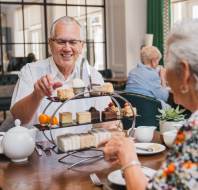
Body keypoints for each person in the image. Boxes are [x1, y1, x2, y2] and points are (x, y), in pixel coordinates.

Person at [103, 20, 198, 190]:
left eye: (167, 63)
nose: (164, 70)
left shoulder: (193, 130)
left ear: (184, 72)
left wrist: (128, 157)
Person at [10, 16, 110, 132]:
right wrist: (36, 95)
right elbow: (17, 117)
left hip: (83, 147)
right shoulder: (31, 71)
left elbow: (108, 116)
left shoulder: (93, 76)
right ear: (50, 44)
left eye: (73, 42)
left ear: (81, 46)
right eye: (61, 41)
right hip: (38, 147)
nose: (67, 48)